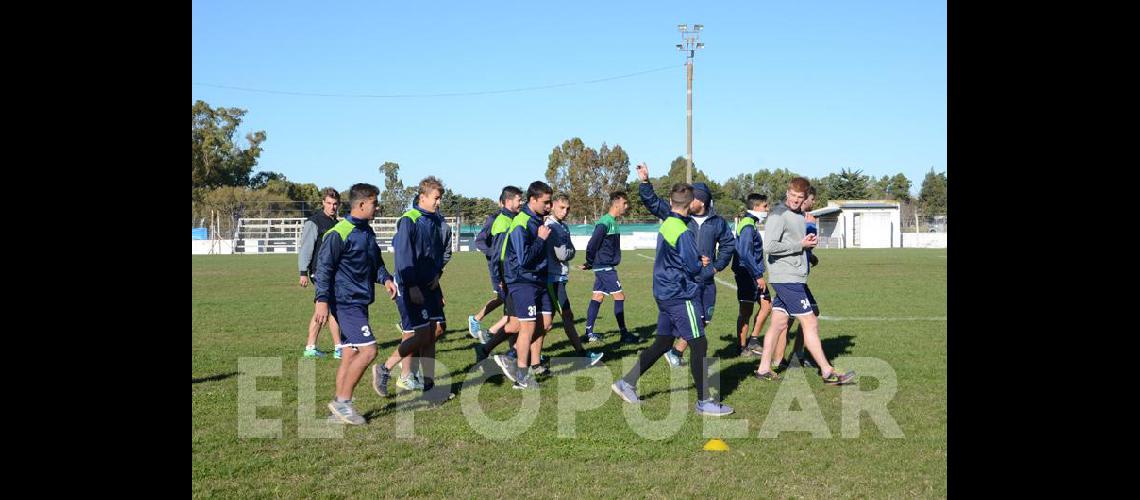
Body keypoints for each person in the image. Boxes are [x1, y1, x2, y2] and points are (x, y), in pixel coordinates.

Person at [610, 181, 734, 416]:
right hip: (680, 294)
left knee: (664, 342)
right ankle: (704, 401)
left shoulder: (667, 223)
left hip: (663, 292)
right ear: (690, 204)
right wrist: (702, 262)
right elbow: (693, 267)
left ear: (670, 202)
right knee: (699, 343)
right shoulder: (684, 232)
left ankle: (626, 383)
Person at [753, 179, 854, 386]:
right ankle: (827, 371)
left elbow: (799, 243)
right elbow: (770, 247)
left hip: (795, 277)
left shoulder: (799, 215)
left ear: (805, 197)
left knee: (779, 323)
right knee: (810, 322)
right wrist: (800, 244)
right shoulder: (778, 215)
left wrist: (808, 245)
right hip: (786, 278)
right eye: (792, 196)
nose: (795, 200)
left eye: (800, 198)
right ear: (787, 193)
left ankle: (763, 368)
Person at [634, 162, 735, 366]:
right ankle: (692, 378)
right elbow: (653, 203)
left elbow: (728, 244)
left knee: (702, 321)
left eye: (695, 196)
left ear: (702, 201)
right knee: (696, 337)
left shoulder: (718, 222)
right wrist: (645, 182)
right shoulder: (677, 216)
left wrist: (716, 266)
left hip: (705, 280)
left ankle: (674, 354)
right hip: (683, 284)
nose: (690, 200)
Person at [313, 183, 398, 425]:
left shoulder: (367, 232)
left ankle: (336, 411)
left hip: (360, 302)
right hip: (345, 302)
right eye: (374, 203)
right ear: (361, 204)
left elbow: (375, 264)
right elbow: (324, 270)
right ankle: (343, 403)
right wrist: (321, 301)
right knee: (369, 350)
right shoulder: (338, 233)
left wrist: (386, 279)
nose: (377, 207)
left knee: (350, 354)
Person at [372, 177, 450, 402]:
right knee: (422, 334)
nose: (438, 203)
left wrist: (438, 276)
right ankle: (385, 368)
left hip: (431, 285)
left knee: (437, 331)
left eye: (440, 199)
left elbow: (435, 255)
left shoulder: (435, 220)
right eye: (436, 198)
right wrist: (413, 286)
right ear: (422, 197)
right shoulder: (409, 220)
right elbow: (404, 258)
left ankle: (429, 386)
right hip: (412, 285)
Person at [494, 181, 554, 389]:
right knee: (527, 327)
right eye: (546, 202)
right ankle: (521, 376)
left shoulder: (538, 220)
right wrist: (540, 239)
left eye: (550, 202)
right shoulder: (521, 222)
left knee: (545, 323)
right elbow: (524, 259)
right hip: (522, 280)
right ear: (533, 200)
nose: (549, 206)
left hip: (539, 280)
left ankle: (511, 355)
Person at [545, 193, 604, 368]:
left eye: (568, 208)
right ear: (553, 206)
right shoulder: (552, 226)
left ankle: (521, 353)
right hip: (552, 279)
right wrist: (570, 251)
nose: (565, 211)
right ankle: (582, 354)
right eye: (562, 208)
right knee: (566, 317)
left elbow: (568, 251)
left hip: (559, 277)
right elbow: (564, 253)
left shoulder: (562, 226)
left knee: (547, 324)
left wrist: (569, 251)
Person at [580, 191, 635, 344]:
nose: (626, 206)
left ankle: (589, 333)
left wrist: (591, 263)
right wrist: (590, 261)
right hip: (605, 268)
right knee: (620, 296)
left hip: (603, 266)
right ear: (616, 203)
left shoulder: (613, 222)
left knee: (597, 297)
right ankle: (624, 334)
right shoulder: (605, 222)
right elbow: (592, 244)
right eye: (624, 203)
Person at [298, 187, 344, 359]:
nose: (332, 207)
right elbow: (306, 248)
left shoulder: (338, 224)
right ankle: (338, 347)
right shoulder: (314, 222)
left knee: (328, 308)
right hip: (319, 272)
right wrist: (303, 272)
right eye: (329, 203)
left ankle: (314, 346)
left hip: (335, 272)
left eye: (335, 204)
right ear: (323, 203)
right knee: (329, 307)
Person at [731, 193, 774, 358]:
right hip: (747, 275)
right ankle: (742, 347)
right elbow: (745, 253)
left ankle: (754, 340)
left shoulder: (751, 223)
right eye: (765, 206)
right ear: (756, 207)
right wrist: (757, 275)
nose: (767, 209)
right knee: (746, 311)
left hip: (753, 273)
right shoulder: (748, 225)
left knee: (767, 305)